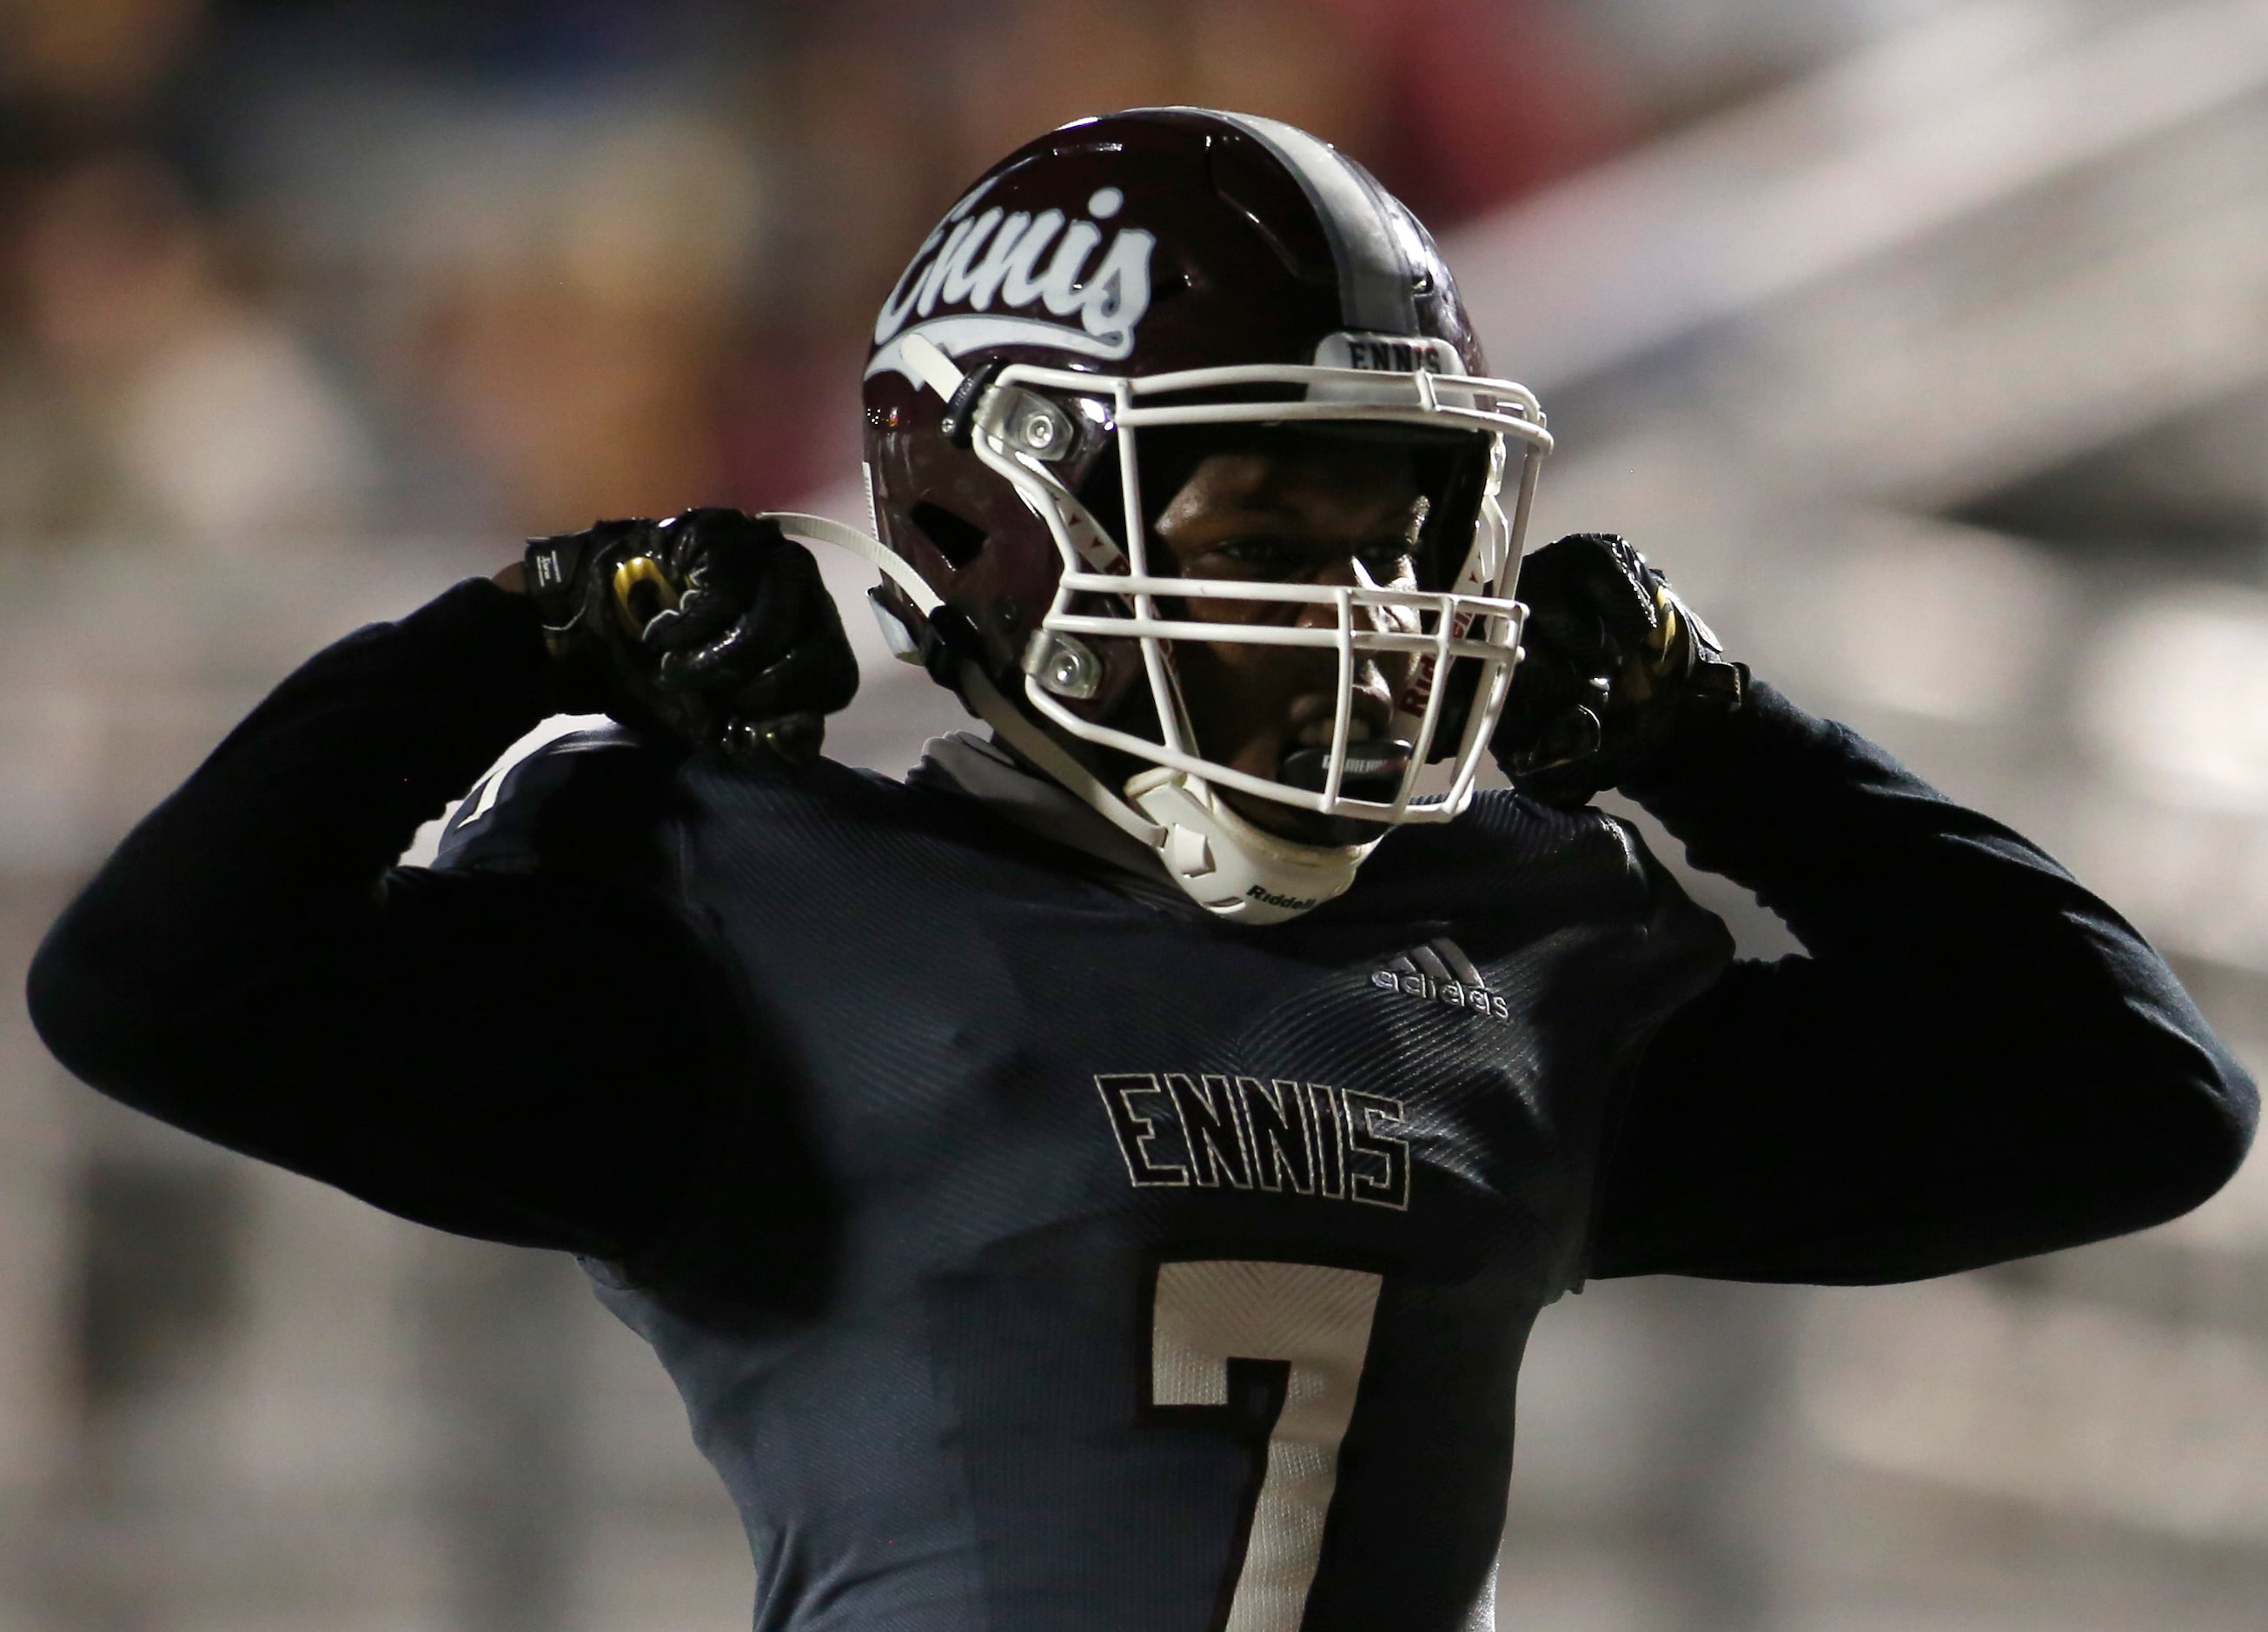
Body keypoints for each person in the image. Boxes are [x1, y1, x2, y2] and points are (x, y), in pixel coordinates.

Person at [27, 109, 2256, 1632]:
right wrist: (511, 639)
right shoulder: (770, 930)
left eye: (1401, 531)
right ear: (996, 520)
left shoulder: (1512, 945)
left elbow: (2133, 1100)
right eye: (1264, 528)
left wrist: (1730, 741)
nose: (1362, 611)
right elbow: (154, 988)